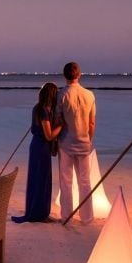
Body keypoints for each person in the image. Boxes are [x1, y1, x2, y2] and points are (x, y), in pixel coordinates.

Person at [12, 82, 61, 223]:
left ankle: (39, 212)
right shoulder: (43, 111)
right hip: (41, 147)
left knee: (40, 179)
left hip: (37, 146)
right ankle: (38, 214)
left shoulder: (38, 108)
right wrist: (61, 125)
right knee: (41, 180)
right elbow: (49, 135)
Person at [56, 61, 96, 225]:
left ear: (65, 76)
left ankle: (67, 216)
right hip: (83, 142)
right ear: (79, 75)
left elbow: (58, 120)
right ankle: (86, 217)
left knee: (66, 181)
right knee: (85, 181)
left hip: (66, 142)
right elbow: (92, 123)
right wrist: (88, 140)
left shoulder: (62, 94)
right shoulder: (89, 95)